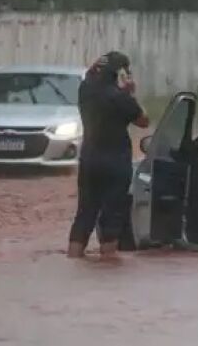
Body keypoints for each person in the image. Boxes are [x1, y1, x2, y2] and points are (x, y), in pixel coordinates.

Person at [68, 51, 150, 259]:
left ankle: (74, 257)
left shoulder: (85, 90)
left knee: (84, 215)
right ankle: (108, 262)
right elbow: (144, 121)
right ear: (120, 74)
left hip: (89, 160)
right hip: (115, 163)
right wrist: (131, 93)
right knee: (112, 218)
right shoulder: (120, 98)